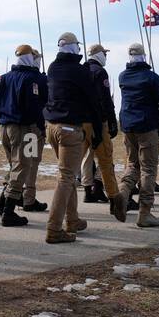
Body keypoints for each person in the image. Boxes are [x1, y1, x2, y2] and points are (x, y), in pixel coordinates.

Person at [43, 31, 101, 243]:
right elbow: (93, 101)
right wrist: (96, 129)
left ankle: (73, 219)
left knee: (67, 174)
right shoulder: (80, 71)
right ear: (74, 47)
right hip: (69, 128)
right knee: (66, 178)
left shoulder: (52, 67)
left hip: (52, 127)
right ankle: (54, 228)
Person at [116, 42, 159, 227]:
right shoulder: (152, 78)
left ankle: (122, 195)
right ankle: (145, 213)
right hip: (147, 126)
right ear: (144, 56)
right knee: (148, 169)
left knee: (133, 165)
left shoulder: (123, 76)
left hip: (128, 126)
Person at [0, 44, 47, 228]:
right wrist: (40, 127)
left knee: (15, 166)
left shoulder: (7, 77)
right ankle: (9, 211)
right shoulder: (33, 78)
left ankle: (2, 201)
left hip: (5, 127)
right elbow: (35, 107)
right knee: (24, 166)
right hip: (25, 129)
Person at [82, 42, 124, 215]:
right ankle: (113, 196)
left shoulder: (81, 71)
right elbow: (106, 99)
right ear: (98, 55)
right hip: (99, 121)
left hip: (83, 121)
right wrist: (112, 121)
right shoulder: (100, 72)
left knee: (86, 157)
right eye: (104, 54)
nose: (106, 57)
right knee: (105, 158)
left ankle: (86, 189)